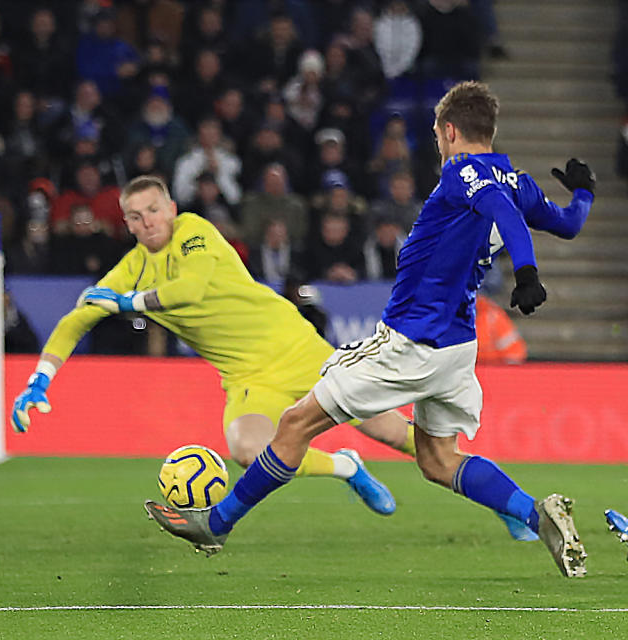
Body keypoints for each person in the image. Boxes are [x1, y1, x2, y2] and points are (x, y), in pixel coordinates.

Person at [146, 81, 596, 579]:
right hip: (455, 350)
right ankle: (537, 515)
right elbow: (568, 223)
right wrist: (584, 191)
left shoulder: (462, 172)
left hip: (410, 340)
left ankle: (217, 523)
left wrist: (528, 272)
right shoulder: (518, 181)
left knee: (295, 423)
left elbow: (501, 212)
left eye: (437, 133)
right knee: (438, 460)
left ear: (449, 131)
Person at [12, 175, 419, 516]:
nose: (147, 221)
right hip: (246, 377)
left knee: (391, 432)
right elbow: (78, 317)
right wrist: (40, 378)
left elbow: (190, 289)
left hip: (295, 349)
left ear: (170, 208)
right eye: (135, 217)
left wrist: (128, 302)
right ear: (128, 225)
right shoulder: (133, 267)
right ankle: (344, 466)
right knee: (248, 450)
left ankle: (471, 473)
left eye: (153, 210)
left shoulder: (194, 232)